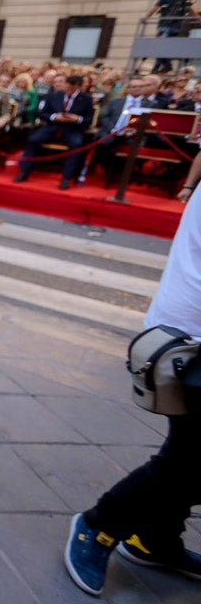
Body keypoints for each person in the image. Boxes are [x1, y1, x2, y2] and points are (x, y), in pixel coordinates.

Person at [63, 148, 201, 596]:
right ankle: (98, 524)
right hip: (192, 336)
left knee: (191, 452)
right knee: (191, 458)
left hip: (188, 328)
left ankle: (156, 539)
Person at [15, 73, 95, 189]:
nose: (69, 89)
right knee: (33, 140)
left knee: (77, 145)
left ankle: (66, 177)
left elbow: (89, 119)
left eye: (72, 87)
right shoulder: (54, 96)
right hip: (52, 126)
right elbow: (41, 113)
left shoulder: (86, 99)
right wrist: (54, 117)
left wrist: (77, 119)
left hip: (72, 129)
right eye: (68, 86)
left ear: (79, 87)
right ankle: (24, 171)